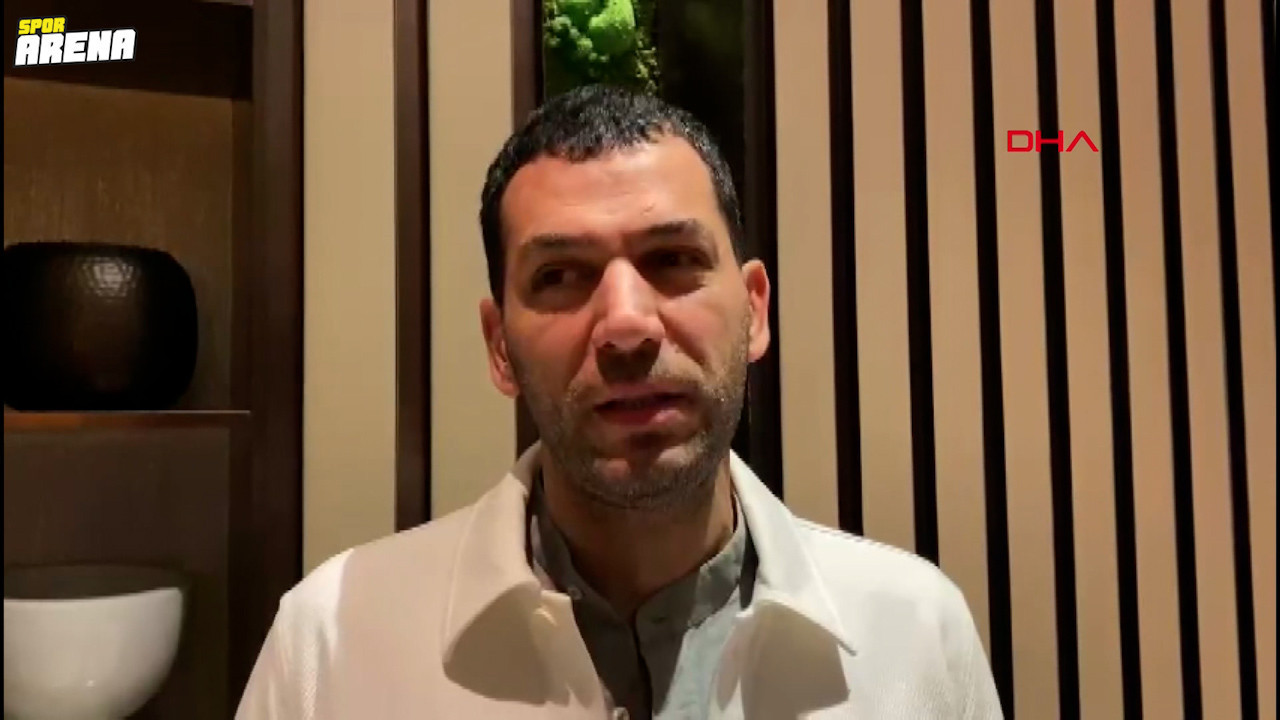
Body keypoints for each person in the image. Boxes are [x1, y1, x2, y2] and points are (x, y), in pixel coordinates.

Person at [235, 83, 1003, 719]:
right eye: (560, 276)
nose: (627, 325)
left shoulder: (915, 637)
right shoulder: (332, 644)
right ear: (500, 345)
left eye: (672, 259)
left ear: (755, 310)